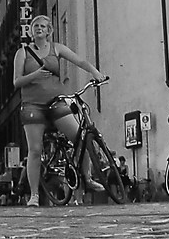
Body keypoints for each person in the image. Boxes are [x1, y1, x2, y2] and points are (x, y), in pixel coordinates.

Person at [11, 12, 104, 209]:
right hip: (32, 105)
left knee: (81, 138)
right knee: (35, 150)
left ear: (49, 31)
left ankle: (86, 178)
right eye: (35, 26)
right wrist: (35, 73)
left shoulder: (57, 49)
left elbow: (79, 61)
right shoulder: (23, 53)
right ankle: (34, 195)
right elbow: (17, 81)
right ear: (31, 31)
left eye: (43, 26)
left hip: (57, 101)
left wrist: (95, 72)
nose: (39, 29)